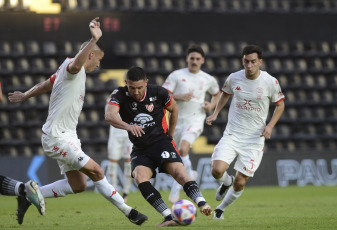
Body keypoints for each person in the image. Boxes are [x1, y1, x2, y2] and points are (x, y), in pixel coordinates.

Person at [8, 17, 147, 226]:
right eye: (98, 60)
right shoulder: (74, 69)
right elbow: (76, 63)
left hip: (68, 136)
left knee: (78, 184)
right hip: (57, 137)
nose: (99, 64)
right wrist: (93, 39)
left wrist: (25, 95)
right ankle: (129, 212)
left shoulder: (65, 70)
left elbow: (46, 84)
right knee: (97, 171)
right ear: (90, 55)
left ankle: (27, 196)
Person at [105, 66, 213, 227]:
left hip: (161, 142)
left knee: (179, 173)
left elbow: (174, 109)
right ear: (125, 83)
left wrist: (170, 134)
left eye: (140, 87)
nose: (135, 92)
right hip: (140, 148)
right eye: (132, 87)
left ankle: (202, 202)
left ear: (146, 83)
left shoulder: (159, 92)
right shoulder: (119, 94)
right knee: (140, 178)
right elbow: (109, 115)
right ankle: (169, 216)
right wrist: (128, 126)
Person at [206, 45, 285, 220]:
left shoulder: (270, 82)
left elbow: (280, 105)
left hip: (254, 140)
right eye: (246, 61)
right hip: (233, 134)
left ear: (260, 62)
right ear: (242, 61)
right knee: (217, 170)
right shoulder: (234, 78)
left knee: (241, 181)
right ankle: (226, 183)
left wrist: (270, 126)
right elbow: (225, 93)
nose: (249, 65)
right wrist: (215, 113)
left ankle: (220, 209)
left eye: (253, 62)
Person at [162, 44, 221, 203]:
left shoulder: (207, 79)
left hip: (196, 119)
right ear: (187, 59)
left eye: (197, 59)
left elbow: (217, 94)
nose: (194, 61)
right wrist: (179, 96)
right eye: (192, 58)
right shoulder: (176, 75)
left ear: (202, 60)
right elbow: (163, 94)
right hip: (176, 120)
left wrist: (211, 105)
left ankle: (176, 187)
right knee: (175, 156)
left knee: (183, 148)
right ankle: (190, 173)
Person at [106, 99, 133, 202]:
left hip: (128, 136)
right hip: (115, 136)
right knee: (112, 164)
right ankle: (113, 192)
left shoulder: (131, 100)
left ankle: (125, 193)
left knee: (129, 164)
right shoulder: (112, 100)